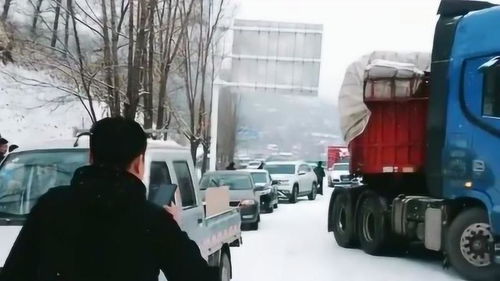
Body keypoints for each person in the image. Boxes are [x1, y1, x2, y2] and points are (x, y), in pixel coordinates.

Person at [0, 117, 218, 281]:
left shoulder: (51, 206)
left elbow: (15, 272)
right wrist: (174, 228)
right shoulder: (152, 221)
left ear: (91, 157)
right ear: (139, 163)